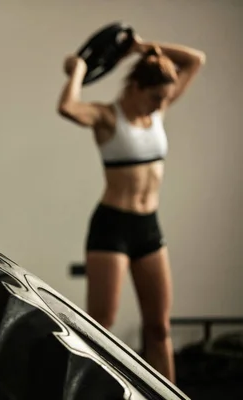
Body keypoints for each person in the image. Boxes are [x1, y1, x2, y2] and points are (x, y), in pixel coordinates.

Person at [57, 35, 205, 382]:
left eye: (164, 99)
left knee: (158, 327)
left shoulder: (158, 110)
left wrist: (142, 45)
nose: (159, 105)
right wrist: (78, 71)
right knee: (100, 325)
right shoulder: (108, 117)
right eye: (155, 97)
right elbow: (68, 107)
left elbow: (195, 58)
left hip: (149, 227)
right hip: (112, 227)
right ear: (136, 86)